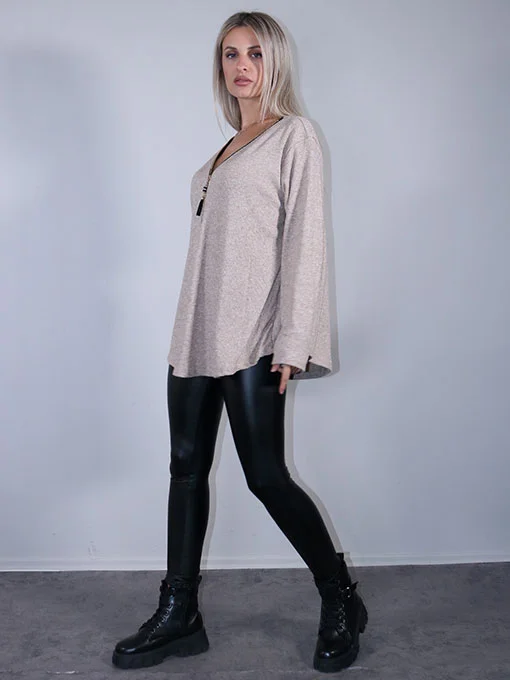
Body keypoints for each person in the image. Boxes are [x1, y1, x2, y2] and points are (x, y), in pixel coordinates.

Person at [112, 10, 368, 674]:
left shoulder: (294, 136)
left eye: (254, 52)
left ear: (275, 60)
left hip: (255, 335)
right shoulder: (219, 155)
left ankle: (340, 596)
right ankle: (180, 612)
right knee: (185, 467)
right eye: (230, 54)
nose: (241, 65)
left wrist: (292, 339)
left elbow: (305, 243)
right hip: (196, 332)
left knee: (265, 476)